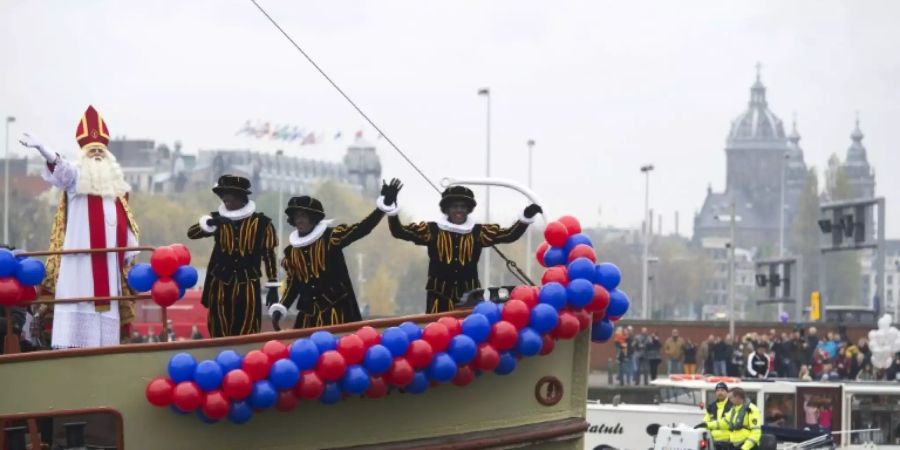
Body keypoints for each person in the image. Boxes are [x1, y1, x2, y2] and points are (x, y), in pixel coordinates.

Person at [19, 106, 140, 348]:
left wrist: (129, 256)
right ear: (83, 156)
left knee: (106, 336)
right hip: (79, 269)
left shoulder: (117, 192)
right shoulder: (77, 182)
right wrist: (45, 150)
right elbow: (62, 171)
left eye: (101, 151)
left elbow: (127, 231)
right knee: (77, 314)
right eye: (91, 151)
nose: (97, 155)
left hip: (108, 269)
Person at [268, 180, 401, 329]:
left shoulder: (330, 238)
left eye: (303, 215)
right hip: (309, 317)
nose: (299, 219)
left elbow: (361, 229)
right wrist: (281, 307)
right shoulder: (291, 252)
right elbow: (293, 285)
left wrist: (381, 209)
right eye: (296, 216)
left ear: (313, 217)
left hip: (337, 312)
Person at [388, 185, 541, 313]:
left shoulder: (478, 232)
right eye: (454, 207)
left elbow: (510, 235)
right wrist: (391, 208)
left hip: (470, 297)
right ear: (447, 210)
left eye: (463, 207)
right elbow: (399, 232)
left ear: (468, 210)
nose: (459, 210)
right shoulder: (432, 230)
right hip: (439, 297)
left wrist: (525, 218)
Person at [188, 175, 279, 337]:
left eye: (228, 194)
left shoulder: (262, 223)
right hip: (221, 282)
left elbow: (269, 255)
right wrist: (211, 223)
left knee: (247, 324)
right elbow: (192, 234)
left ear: (241, 197)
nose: (224, 198)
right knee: (219, 324)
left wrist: (272, 286)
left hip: (248, 283)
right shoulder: (217, 220)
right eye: (222, 195)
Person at [703, 382, 734, 449]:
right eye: (718, 391)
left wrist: (710, 424)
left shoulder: (732, 406)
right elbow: (705, 423)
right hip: (713, 442)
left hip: (729, 442)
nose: (720, 393)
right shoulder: (711, 407)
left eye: (722, 390)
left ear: (727, 392)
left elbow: (728, 424)